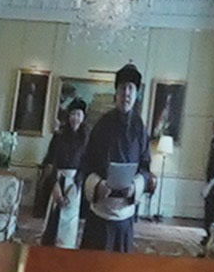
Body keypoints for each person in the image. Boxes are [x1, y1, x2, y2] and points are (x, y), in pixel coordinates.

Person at [77, 62, 157, 252]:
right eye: (122, 88)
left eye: (131, 88)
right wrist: (97, 186)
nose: (126, 93)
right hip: (100, 214)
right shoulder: (101, 125)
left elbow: (145, 168)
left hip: (124, 216)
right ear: (116, 93)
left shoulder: (140, 128)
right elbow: (86, 163)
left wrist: (135, 187)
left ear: (136, 94)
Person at [36, 89, 91, 238]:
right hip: (58, 180)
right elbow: (51, 161)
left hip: (75, 183)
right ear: (68, 115)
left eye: (78, 115)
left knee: (69, 224)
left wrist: (76, 186)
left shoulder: (86, 139)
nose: (75, 118)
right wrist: (55, 187)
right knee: (54, 219)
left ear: (83, 117)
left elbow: (85, 165)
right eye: (73, 114)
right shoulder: (58, 136)